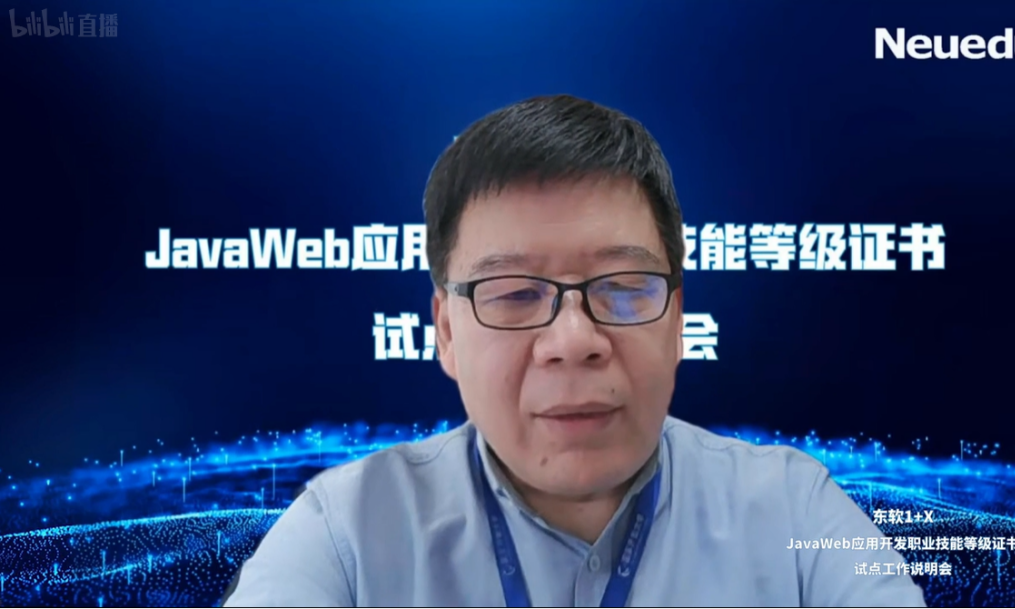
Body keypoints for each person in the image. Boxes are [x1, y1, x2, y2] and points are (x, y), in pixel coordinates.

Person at [222, 94, 927, 607]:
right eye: (513, 294)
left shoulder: (797, 512)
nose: (573, 341)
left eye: (622, 288)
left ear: (677, 318)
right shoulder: (344, 533)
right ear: (446, 331)